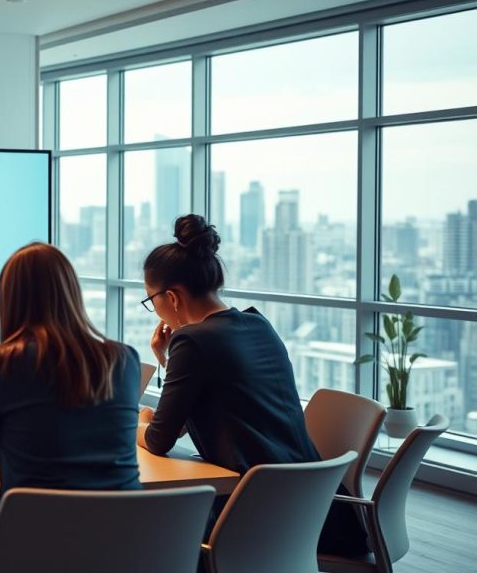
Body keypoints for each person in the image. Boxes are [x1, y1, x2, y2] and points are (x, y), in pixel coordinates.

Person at [136, 214, 368, 556]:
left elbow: (159, 440)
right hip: (318, 511)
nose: (154, 310)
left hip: (251, 518)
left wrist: (136, 424)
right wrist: (165, 359)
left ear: (171, 297)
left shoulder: (192, 340)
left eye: (150, 301)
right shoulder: (258, 324)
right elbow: (211, 401)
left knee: (148, 533)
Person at [0, 242, 142, 570]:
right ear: (72, 293)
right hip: (120, 555)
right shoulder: (124, 360)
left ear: (10, 299)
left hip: (27, 557)